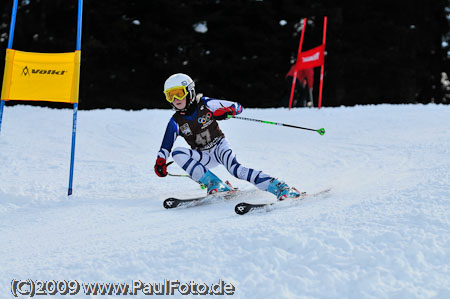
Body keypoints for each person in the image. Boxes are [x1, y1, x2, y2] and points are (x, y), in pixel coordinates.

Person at [154, 73, 301, 201]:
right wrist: (160, 162)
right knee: (178, 152)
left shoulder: (205, 104)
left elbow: (238, 107)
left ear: (190, 92)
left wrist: (226, 111)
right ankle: (215, 183)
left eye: (179, 93)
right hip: (204, 155)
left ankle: (279, 186)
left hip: (219, 146)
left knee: (236, 170)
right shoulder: (176, 121)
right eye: (170, 95)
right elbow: (166, 145)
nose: (175, 99)